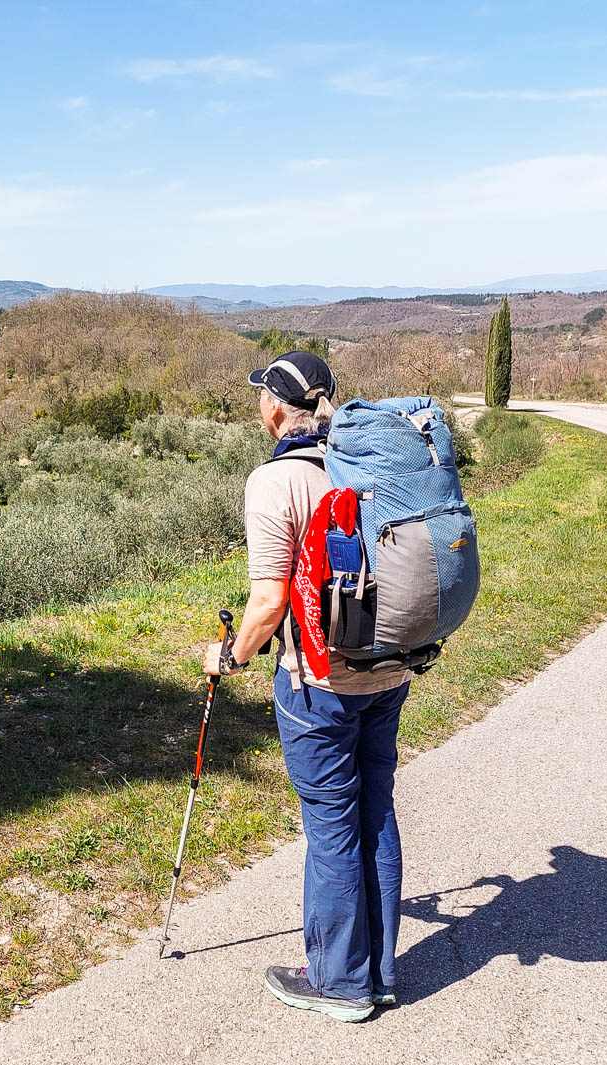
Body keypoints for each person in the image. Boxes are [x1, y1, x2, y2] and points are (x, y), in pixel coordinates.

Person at [203, 350, 411, 1023]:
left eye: (260, 395)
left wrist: (229, 659)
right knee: (374, 812)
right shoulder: (364, 462)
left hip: (317, 681)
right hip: (390, 668)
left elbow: (267, 606)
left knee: (331, 827)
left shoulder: (276, 481)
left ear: (273, 407)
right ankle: (377, 973)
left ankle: (340, 983)